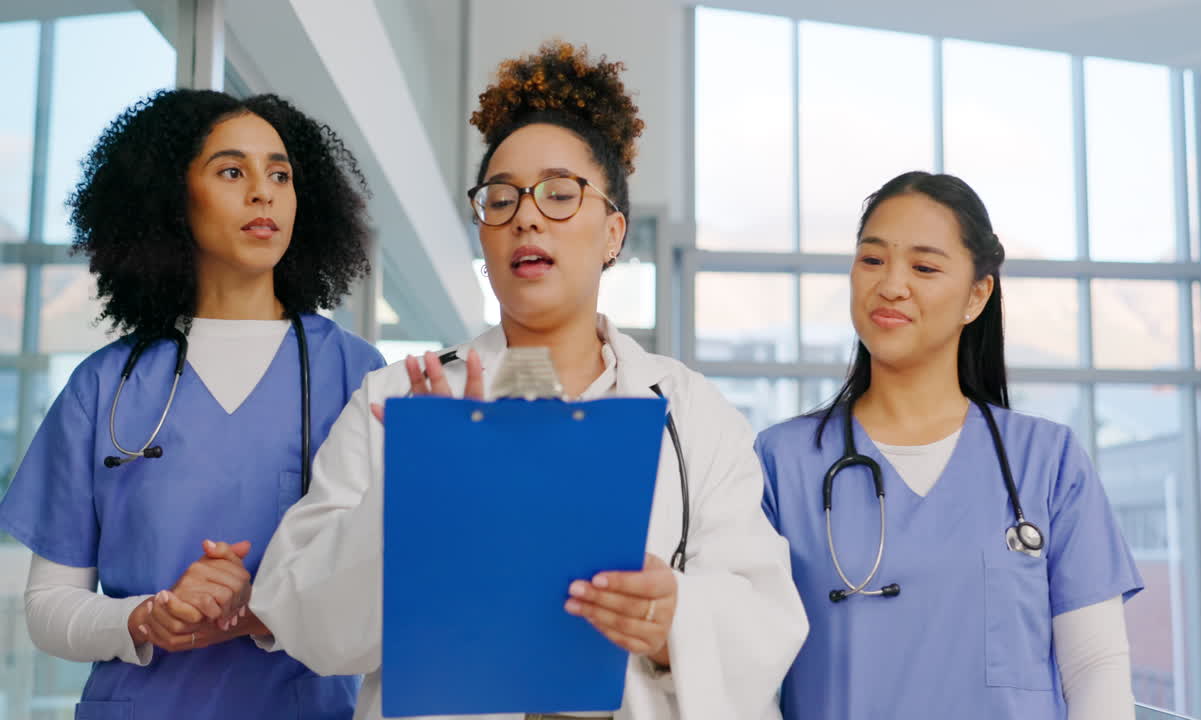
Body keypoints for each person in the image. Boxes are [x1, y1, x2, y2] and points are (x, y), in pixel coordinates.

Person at [249, 41, 808, 720]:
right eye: (501, 197)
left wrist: (674, 624)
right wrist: (413, 493)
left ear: (614, 233)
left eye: (560, 194)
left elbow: (767, 615)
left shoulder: (692, 413)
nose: (527, 215)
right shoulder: (400, 400)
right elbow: (300, 617)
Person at [0, 89, 385, 719]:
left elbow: (387, 591)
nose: (263, 192)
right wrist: (144, 618)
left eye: (280, 174)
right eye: (232, 171)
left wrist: (262, 609)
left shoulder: (357, 375)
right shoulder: (104, 385)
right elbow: (47, 608)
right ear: (172, 199)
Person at [756, 171, 1144, 720]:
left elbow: (1095, 667)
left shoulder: (1047, 461)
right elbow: (744, 670)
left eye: (924, 267)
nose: (891, 284)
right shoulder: (781, 463)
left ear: (976, 294)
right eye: (872, 260)